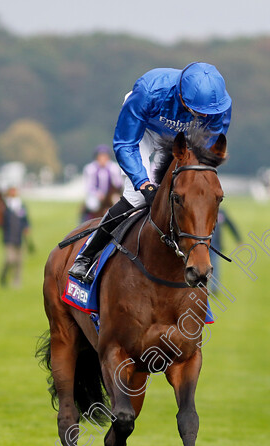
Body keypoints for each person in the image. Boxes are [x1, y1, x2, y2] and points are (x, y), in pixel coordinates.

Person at [69, 62, 232, 283]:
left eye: (208, 113)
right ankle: (86, 257)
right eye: (199, 112)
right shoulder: (150, 91)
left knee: (189, 194)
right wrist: (144, 184)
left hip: (181, 140)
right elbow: (125, 144)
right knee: (136, 197)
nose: (204, 116)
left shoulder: (217, 105)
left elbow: (208, 153)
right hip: (143, 130)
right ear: (182, 97)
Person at [81, 144, 122, 221]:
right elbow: (89, 186)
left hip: (110, 195)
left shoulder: (114, 168)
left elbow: (118, 184)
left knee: (119, 204)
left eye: (105, 156)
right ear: (97, 157)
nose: (103, 159)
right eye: (101, 156)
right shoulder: (90, 168)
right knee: (92, 205)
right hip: (96, 195)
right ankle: (85, 222)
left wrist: (110, 194)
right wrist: (98, 194)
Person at [0, 185, 31, 288]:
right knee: (10, 259)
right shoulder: (5, 205)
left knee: (19, 261)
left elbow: (25, 219)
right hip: (8, 237)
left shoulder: (21, 205)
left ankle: (16, 282)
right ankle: (4, 275)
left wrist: (26, 227)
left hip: (19, 237)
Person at [209, 207, 241, 293]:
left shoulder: (221, 212)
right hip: (204, 245)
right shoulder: (204, 211)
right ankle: (202, 287)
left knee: (215, 266)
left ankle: (214, 288)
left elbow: (231, 225)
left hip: (216, 245)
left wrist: (238, 239)